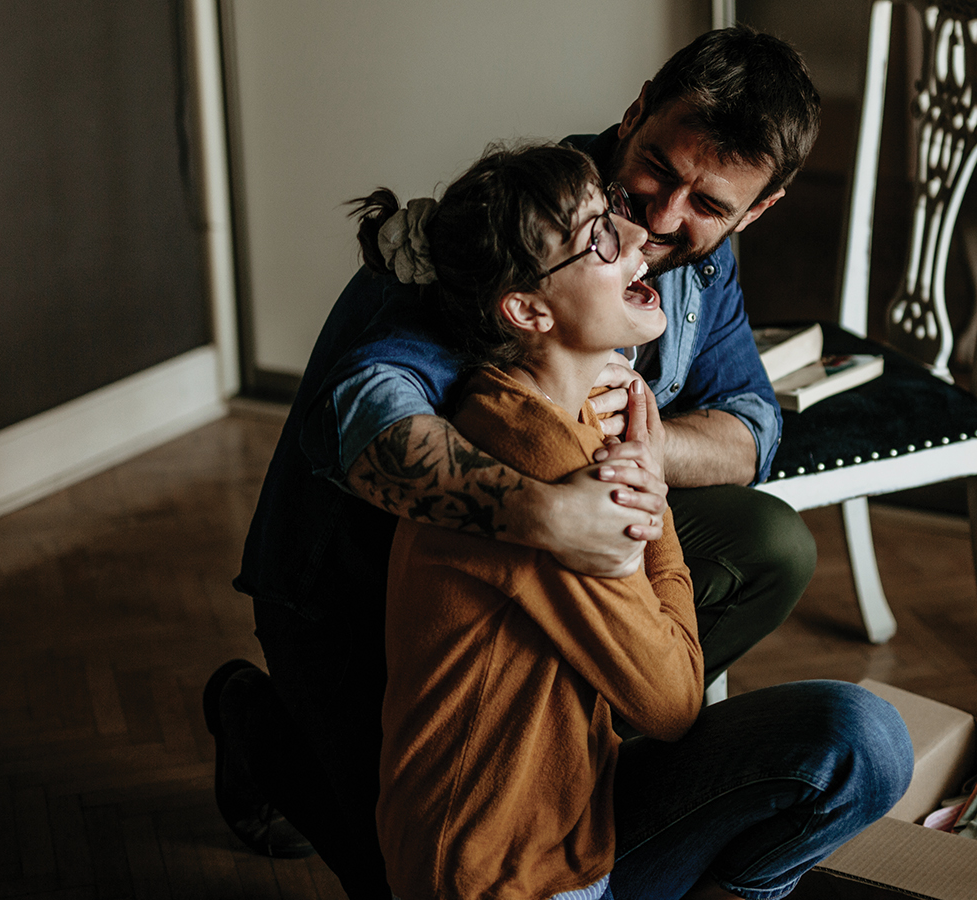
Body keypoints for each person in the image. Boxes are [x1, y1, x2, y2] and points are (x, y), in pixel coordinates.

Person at [204, 26, 836, 898]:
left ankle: (568, 744)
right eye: (657, 167)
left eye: (707, 203)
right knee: (414, 875)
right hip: (355, 587)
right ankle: (258, 725)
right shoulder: (526, 220)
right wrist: (545, 515)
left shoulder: (704, 259)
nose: (660, 216)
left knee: (770, 540)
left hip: (548, 575)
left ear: (754, 212)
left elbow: (752, 426)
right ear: (635, 110)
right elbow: (360, 410)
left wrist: (645, 454)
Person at [369, 139, 912, 900]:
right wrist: (651, 501)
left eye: (611, 216)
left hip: (575, 824)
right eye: (600, 239)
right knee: (859, 741)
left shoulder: (557, 413)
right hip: (507, 879)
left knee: (864, 739)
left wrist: (639, 469)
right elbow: (672, 702)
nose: (636, 241)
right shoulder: (548, 455)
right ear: (527, 310)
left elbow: (752, 421)